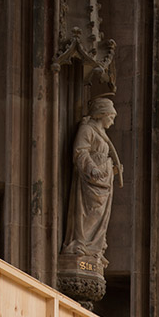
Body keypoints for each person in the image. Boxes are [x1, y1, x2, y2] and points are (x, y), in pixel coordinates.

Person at [61, 96, 123, 260]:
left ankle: (95, 247)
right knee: (88, 212)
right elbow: (80, 151)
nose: (112, 121)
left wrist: (112, 169)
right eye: (111, 117)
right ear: (101, 114)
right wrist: (93, 169)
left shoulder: (102, 133)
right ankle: (81, 243)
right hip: (91, 180)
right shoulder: (87, 129)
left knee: (100, 215)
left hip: (103, 182)